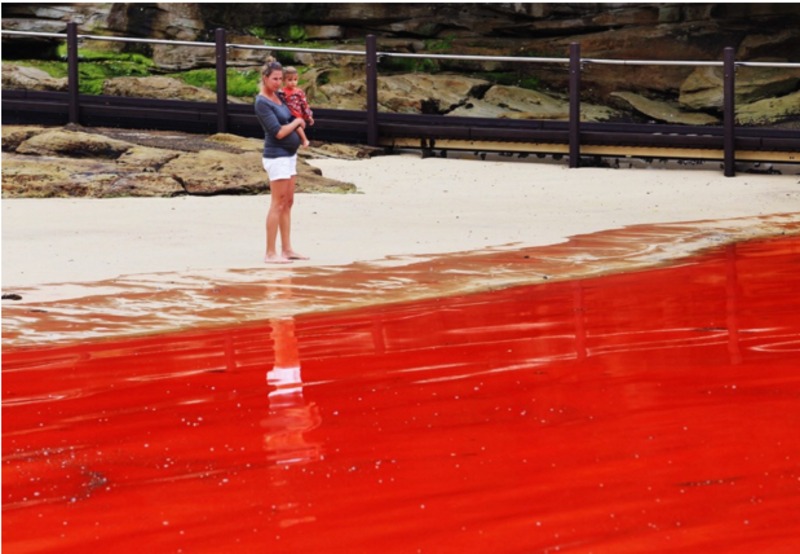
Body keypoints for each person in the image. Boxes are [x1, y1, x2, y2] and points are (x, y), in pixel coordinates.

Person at [254, 60, 309, 264]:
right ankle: (270, 252)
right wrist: (297, 122)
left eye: (280, 79)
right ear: (265, 78)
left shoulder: (278, 97)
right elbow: (278, 131)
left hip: (289, 155)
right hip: (276, 156)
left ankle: (287, 249)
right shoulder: (262, 102)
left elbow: (291, 116)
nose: (278, 83)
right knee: (277, 203)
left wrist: (302, 134)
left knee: (288, 202)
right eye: (275, 79)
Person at [281, 66, 314, 148]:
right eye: (290, 80)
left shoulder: (299, 92)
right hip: (287, 114)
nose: (293, 82)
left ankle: (304, 139)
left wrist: (309, 116)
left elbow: (304, 104)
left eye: (295, 80)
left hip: (297, 115)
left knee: (297, 126)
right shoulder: (282, 92)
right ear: (283, 80)